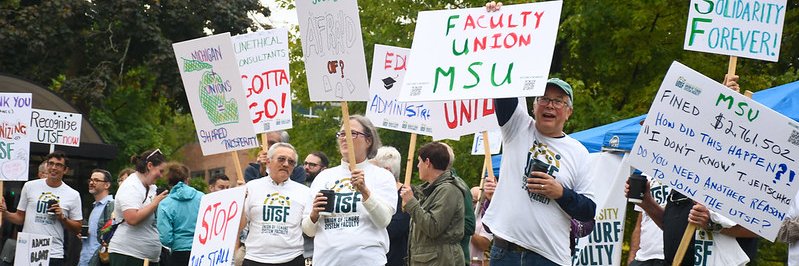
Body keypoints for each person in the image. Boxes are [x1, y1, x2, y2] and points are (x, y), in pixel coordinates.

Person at [481, 74, 597, 265]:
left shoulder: (579, 152)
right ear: (534, 106)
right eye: (543, 98)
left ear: (569, 112)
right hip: (505, 253)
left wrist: (560, 192)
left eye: (558, 101)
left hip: (548, 257)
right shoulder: (517, 127)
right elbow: (504, 87)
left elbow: (588, 211)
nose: (550, 105)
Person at [302, 115, 397, 265]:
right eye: (341, 133)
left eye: (352, 133)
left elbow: (383, 220)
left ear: (368, 140)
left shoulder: (382, 176)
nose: (344, 138)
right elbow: (308, 230)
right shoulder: (323, 177)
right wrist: (314, 214)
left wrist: (365, 192)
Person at [0, 151, 83, 266]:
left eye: (58, 165)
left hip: (53, 253)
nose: (53, 167)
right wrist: (5, 213)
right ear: (46, 166)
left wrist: (62, 218)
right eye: (51, 163)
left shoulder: (73, 195)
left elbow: (78, 228)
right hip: (27, 249)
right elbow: (20, 218)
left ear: (65, 170)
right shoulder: (30, 186)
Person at [239, 143, 310, 266]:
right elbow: (240, 227)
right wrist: (238, 202)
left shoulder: (304, 192)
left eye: (291, 162)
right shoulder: (250, 188)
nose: (286, 164)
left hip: (292, 259)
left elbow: (309, 230)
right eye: (281, 159)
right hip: (255, 259)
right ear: (268, 162)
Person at [400, 142, 465, 265]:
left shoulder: (448, 190)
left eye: (419, 161)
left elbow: (433, 227)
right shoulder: (431, 190)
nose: (418, 166)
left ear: (427, 162)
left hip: (441, 261)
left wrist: (411, 202)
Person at [108, 149, 169, 265]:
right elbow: (132, 218)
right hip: (128, 255)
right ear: (150, 166)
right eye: (160, 171)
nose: (161, 176)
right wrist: (155, 203)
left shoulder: (151, 187)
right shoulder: (131, 186)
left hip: (147, 257)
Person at [157, 163, 203, 265]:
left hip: (179, 253)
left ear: (169, 182)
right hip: (202, 251)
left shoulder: (165, 204)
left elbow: (165, 238)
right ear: (187, 179)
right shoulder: (202, 197)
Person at [370, 146, 408, 266]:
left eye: (372, 169)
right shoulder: (371, 193)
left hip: (393, 259)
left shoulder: (406, 195)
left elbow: (395, 229)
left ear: (386, 170)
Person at [441, 142, 476, 265]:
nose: (420, 164)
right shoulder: (432, 187)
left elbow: (470, 225)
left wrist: (438, 225)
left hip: (454, 259)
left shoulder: (458, 187)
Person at [80, 169, 115, 266]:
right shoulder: (95, 206)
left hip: (98, 260)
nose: (91, 183)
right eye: (90, 180)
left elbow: (110, 235)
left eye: (96, 180)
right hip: (86, 257)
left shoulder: (111, 206)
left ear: (107, 185)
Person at [469, 186, 493, 266]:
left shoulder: (486, 219)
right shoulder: (460, 214)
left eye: (479, 202)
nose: (476, 205)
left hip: (474, 262)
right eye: (473, 201)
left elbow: (484, 245)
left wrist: (468, 230)